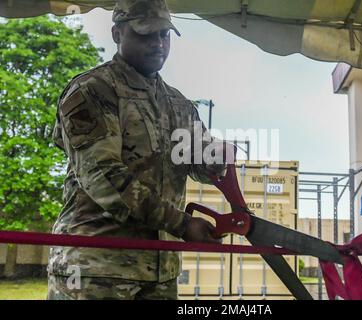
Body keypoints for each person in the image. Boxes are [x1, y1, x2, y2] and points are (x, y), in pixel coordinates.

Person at [47, 0, 230, 300]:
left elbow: (199, 165)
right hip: (96, 269)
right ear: (117, 33)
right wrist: (182, 224)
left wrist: (216, 161)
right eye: (146, 34)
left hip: (160, 271)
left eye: (165, 35)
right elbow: (104, 179)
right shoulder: (92, 90)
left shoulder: (179, 104)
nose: (158, 43)